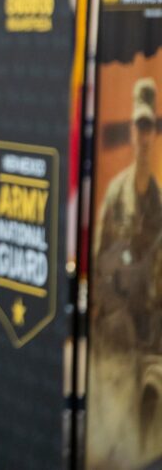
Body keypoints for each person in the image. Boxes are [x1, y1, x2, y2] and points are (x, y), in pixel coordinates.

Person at [93, 77, 162, 353]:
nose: (144, 136)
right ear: (132, 132)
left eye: (149, 128)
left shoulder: (159, 205)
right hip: (114, 337)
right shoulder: (116, 195)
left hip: (148, 340)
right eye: (139, 127)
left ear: (155, 134)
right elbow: (98, 260)